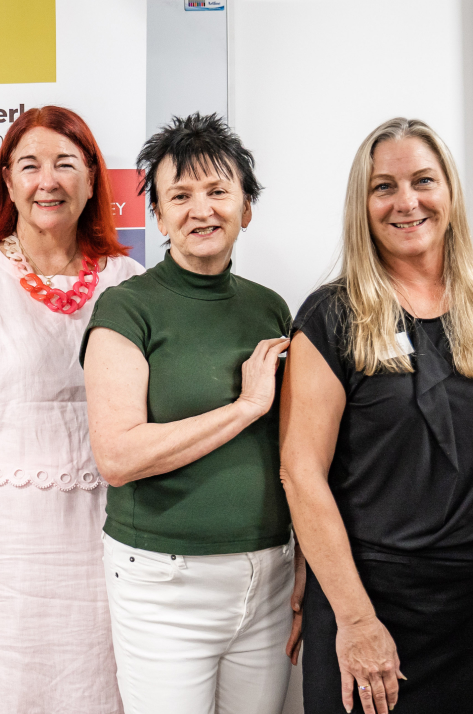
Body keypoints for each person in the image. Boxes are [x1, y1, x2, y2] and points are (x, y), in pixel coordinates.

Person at [281, 118, 473, 714]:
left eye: (423, 181)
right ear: (364, 205)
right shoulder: (333, 316)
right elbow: (300, 472)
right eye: (384, 187)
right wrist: (356, 621)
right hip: (367, 596)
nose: (406, 202)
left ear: (451, 193)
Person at [0, 105, 144, 713]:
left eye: (66, 163)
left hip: (103, 549)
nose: (49, 180)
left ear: (92, 179)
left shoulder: (132, 284)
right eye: (30, 164)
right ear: (7, 181)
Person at [82, 113, 300, 714]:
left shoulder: (270, 308)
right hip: (163, 586)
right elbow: (118, 456)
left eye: (218, 191)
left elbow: (297, 450)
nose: (200, 209)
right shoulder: (127, 308)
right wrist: (246, 405)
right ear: (158, 215)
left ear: (246, 208)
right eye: (179, 195)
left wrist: (304, 561)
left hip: (269, 574)